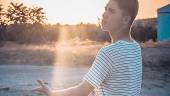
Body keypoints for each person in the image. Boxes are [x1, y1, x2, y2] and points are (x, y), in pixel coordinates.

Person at [32, 0, 142, 96]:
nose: (104, 14)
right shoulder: (135, 48)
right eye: (105, 9)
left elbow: (81, 92)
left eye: (111, 11)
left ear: (126, 20)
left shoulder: (108, 53)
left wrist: (52, 93)